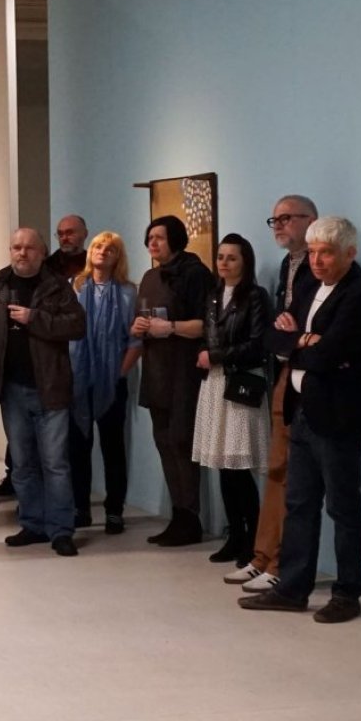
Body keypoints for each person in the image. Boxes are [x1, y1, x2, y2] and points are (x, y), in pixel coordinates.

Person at [238, 217, 361, 622]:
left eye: (326, 253)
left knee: (343, 507)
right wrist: (303, 339)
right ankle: (292, 587)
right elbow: (273, 338)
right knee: (299, 503)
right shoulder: (309, 287)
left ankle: (347, 593)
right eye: (314, 252)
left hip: (340, 416)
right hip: (302, 411)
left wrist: (297, 343)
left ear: (349, 254)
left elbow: (328, 355)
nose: (317, 261)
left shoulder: (359, 296)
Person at [230, 195, 320, 592]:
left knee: (296, 478)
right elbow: (275, 330)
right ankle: (262, 556)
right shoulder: (287, 265)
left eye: (287, 218)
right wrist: (287, 336)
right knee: (276, 468)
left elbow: (306, 330)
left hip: (309, 378)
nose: (279, 226)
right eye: (275, 220)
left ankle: (282, 562)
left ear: (311, 220)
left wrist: (291, 336)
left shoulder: (319, 268)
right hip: (283, 371)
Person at [0, 228, 87, 554]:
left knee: (55, 464)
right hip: (11, 389)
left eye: (29, 248)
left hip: (50, 387)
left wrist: (34, 318)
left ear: (42, 253)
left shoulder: (56, 285)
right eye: (16, 247)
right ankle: (33, 524)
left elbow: (76, 325)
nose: (22, 253)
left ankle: (61, 530)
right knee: (23, 464)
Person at [192, 234, 271, 566]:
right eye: (221, 257)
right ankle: (235, 535)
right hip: (214, 382)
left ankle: (253, 540)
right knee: (224, 466)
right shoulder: (212, 295)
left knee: (239, 466)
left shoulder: (255, 296)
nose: (224, 263)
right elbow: (208, 335)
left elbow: (258, 343)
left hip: (241, 381)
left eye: (232, 258)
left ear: (245, 262)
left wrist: (216, 355)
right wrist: (207, 354)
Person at [134, 216, 214, 546]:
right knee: (164, 442)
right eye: (149, 238)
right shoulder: (149, 277)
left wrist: (169, 328)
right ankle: (178, 515)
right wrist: (139, 327)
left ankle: (190, 517)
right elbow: (142, 317)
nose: (153, 243)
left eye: (160, 237)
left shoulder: (196, 273)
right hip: (156, 370)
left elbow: (208, 324)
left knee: (181, 442)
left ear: (176, 239)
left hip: (184, 371)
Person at [71, 231, 139, 535]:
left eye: (110, 249)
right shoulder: (74, 286)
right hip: (78, 379)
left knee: (113, 448)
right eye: (98, 246)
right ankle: (80, 508)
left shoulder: (128, 292)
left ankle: (114, 511)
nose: (102, 252)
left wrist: (119, 373)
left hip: (113, 381)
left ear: (117, 257)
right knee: (78, 447)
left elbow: (135, 340)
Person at [51, 214, 90, 281]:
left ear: (85, 234)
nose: (64, 238)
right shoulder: (49, 266)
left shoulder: (94, 263)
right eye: (60, 234)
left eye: (69, 233)